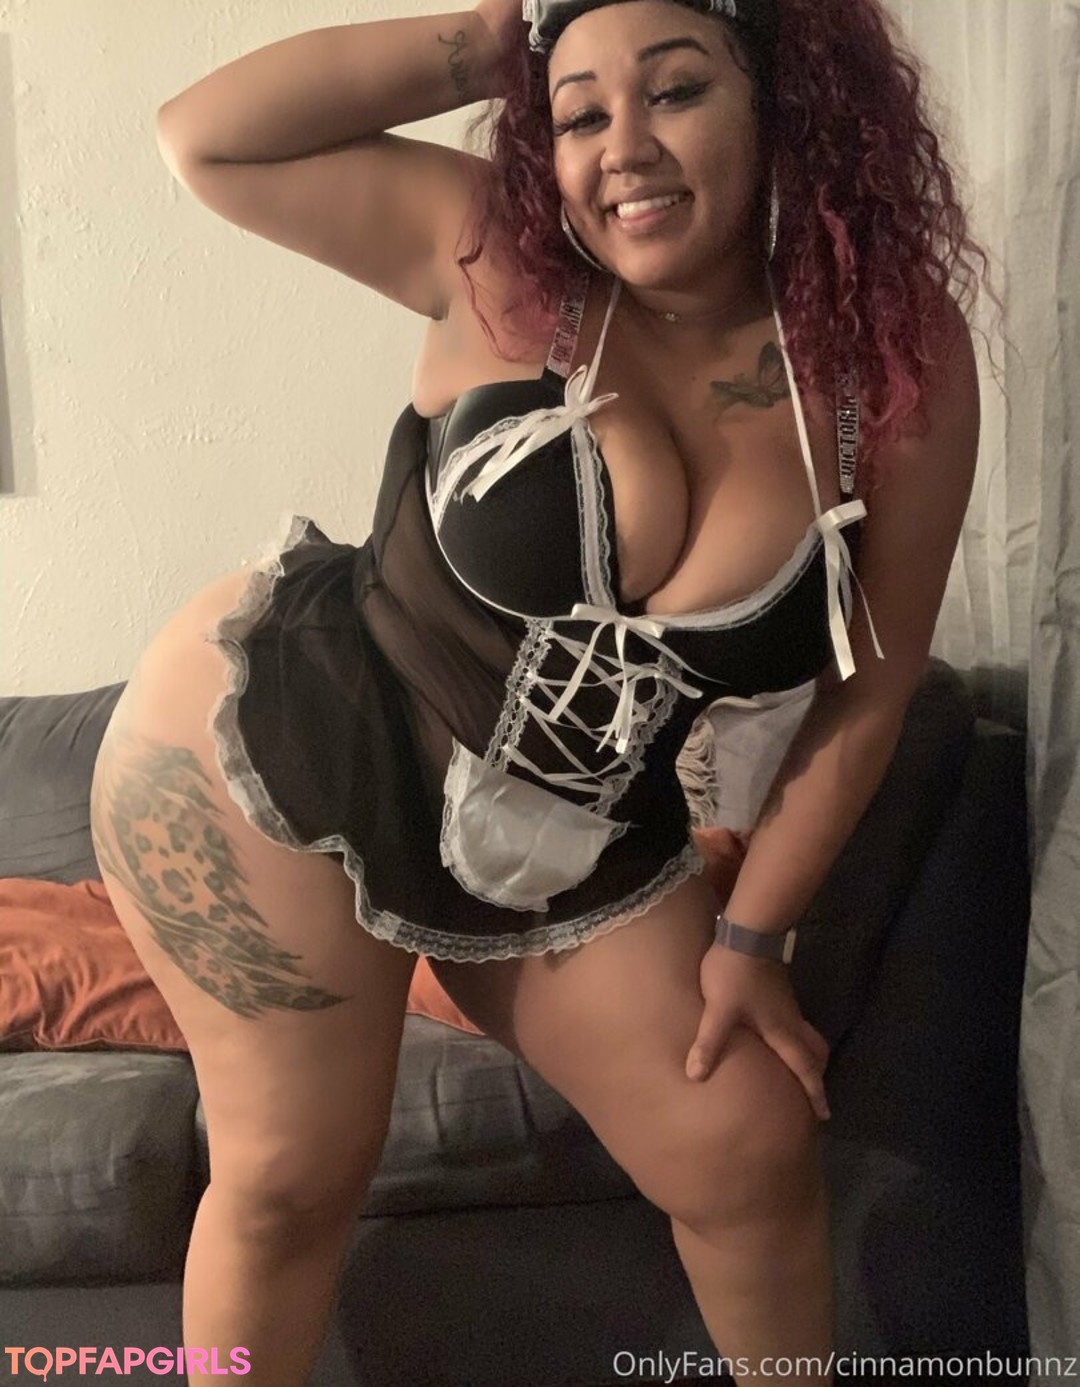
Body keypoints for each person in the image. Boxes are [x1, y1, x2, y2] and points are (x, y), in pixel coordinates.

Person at [89, 0, 985, 1382]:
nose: (624, 147)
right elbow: (205, 141)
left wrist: (751, 939)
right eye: (577, 113)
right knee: (290, 1179)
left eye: (674, 92)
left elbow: (878, 677)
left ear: (779, 95)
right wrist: (501, 33)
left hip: (572, 823)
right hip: (289, 737)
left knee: (744, 1145)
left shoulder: (883, 350)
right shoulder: (494, 256)